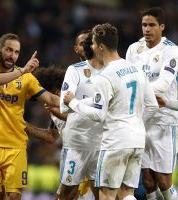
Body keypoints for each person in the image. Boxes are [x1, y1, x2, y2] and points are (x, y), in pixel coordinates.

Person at [63, 23, 159, 200]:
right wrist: (135, 122)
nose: (90, 47)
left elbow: (99, 115)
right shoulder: (137, 69)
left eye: (92, 43)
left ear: (100, 46)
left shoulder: (105, 76)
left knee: (106, 194)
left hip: (115, 142)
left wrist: (74, 103)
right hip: (137, 140)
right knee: (127, 193)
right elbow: (152, 105)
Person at [0, 33, 60, 200]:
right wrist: (22, 71)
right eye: (8, 50)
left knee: (14, 196)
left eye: (16, 52)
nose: (12, 55)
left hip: (15, 146)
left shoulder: (26, 79)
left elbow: (49, 98)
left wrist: (78, 103)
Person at [126, 7, 178, 200]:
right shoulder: (134, 49)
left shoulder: (171, 50)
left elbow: (163, 85)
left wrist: (137, 94)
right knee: (147, 181)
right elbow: (127, 79)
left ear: (162, 27)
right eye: (144, 25)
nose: (147, 29)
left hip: (164, 120)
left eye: (151, 25)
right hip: (141, 120)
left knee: (164, 181)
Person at [59, 29, 103, 200]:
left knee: (103, 194)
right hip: (77, 142)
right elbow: (64, 105)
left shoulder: (109, 70)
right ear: (76, 48)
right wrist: (98, 101)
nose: (87, 45)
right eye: (83, 42)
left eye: (89, 41)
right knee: (68, 193)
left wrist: (77, 102)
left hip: (101, 142)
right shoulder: (74, 70)